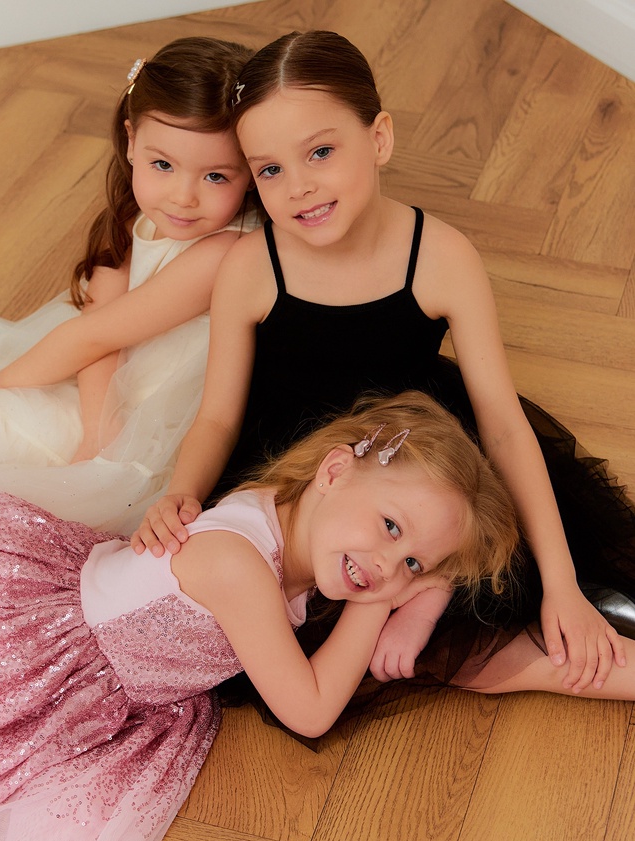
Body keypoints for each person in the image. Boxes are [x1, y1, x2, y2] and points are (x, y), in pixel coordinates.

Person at [131, 30, 635, 697]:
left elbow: (503, 427)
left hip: (408, 462)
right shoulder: (252, 267)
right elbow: (218, 416)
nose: (299, 187)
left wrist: (561, 580)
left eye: (320, 151)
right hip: (296, 478)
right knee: (420, 646)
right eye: (270, 170)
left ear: (379, 138)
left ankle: (572, 607)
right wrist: (183, 493)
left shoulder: (441, 257)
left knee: (505, 567)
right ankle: (555, 660)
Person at [0, 391, 518, 841]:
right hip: (44, 658)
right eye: (390, 527)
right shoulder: (237, 563)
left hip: (127, 676)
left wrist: (425, 591)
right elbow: (311, 711)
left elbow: (440, 567)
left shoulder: (291, 519)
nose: (388, 565)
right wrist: (380, 604)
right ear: (334, 471)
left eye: (412, 563)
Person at [0, 36, 258, 533]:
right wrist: (96, 424)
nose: (182, 197)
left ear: (252, 171)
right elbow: (97, 326)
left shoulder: (226, 252)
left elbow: (96, 334)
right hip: (93, 378)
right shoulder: (133, 212)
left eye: (215, 176)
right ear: (131, 140)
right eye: (162, 164)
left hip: (149, 418)